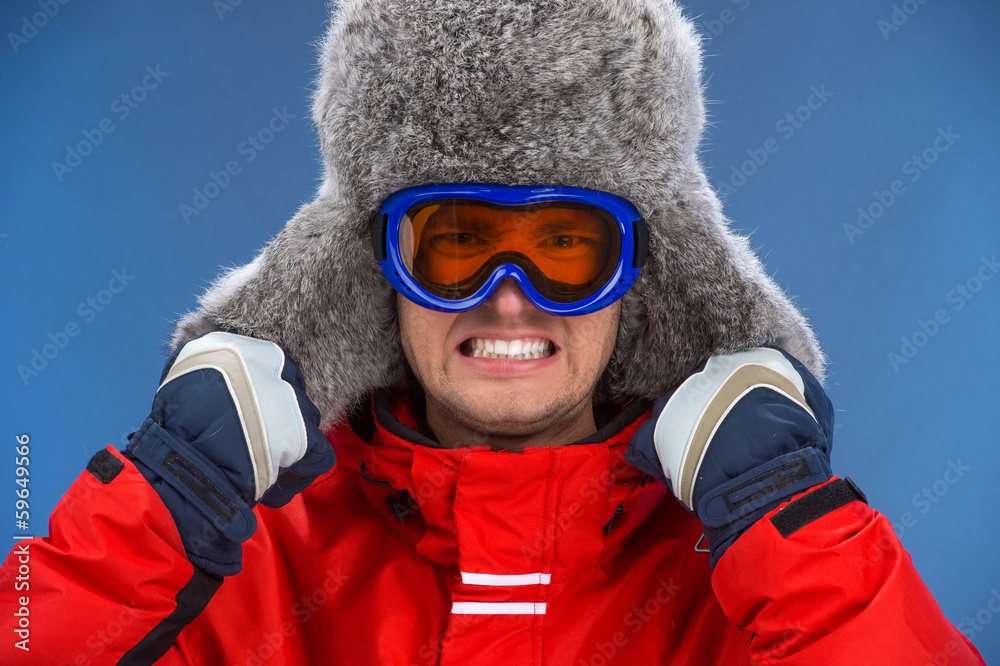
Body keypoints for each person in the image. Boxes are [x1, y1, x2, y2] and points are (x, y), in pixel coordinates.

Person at [0, 0, 985, 664]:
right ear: (367, 266)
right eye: (456, 241)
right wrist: (156, 509)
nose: (508, 298)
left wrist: (790, 521)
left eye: (564, 246)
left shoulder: (738, 575)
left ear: (640, 274)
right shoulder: (252, 557)